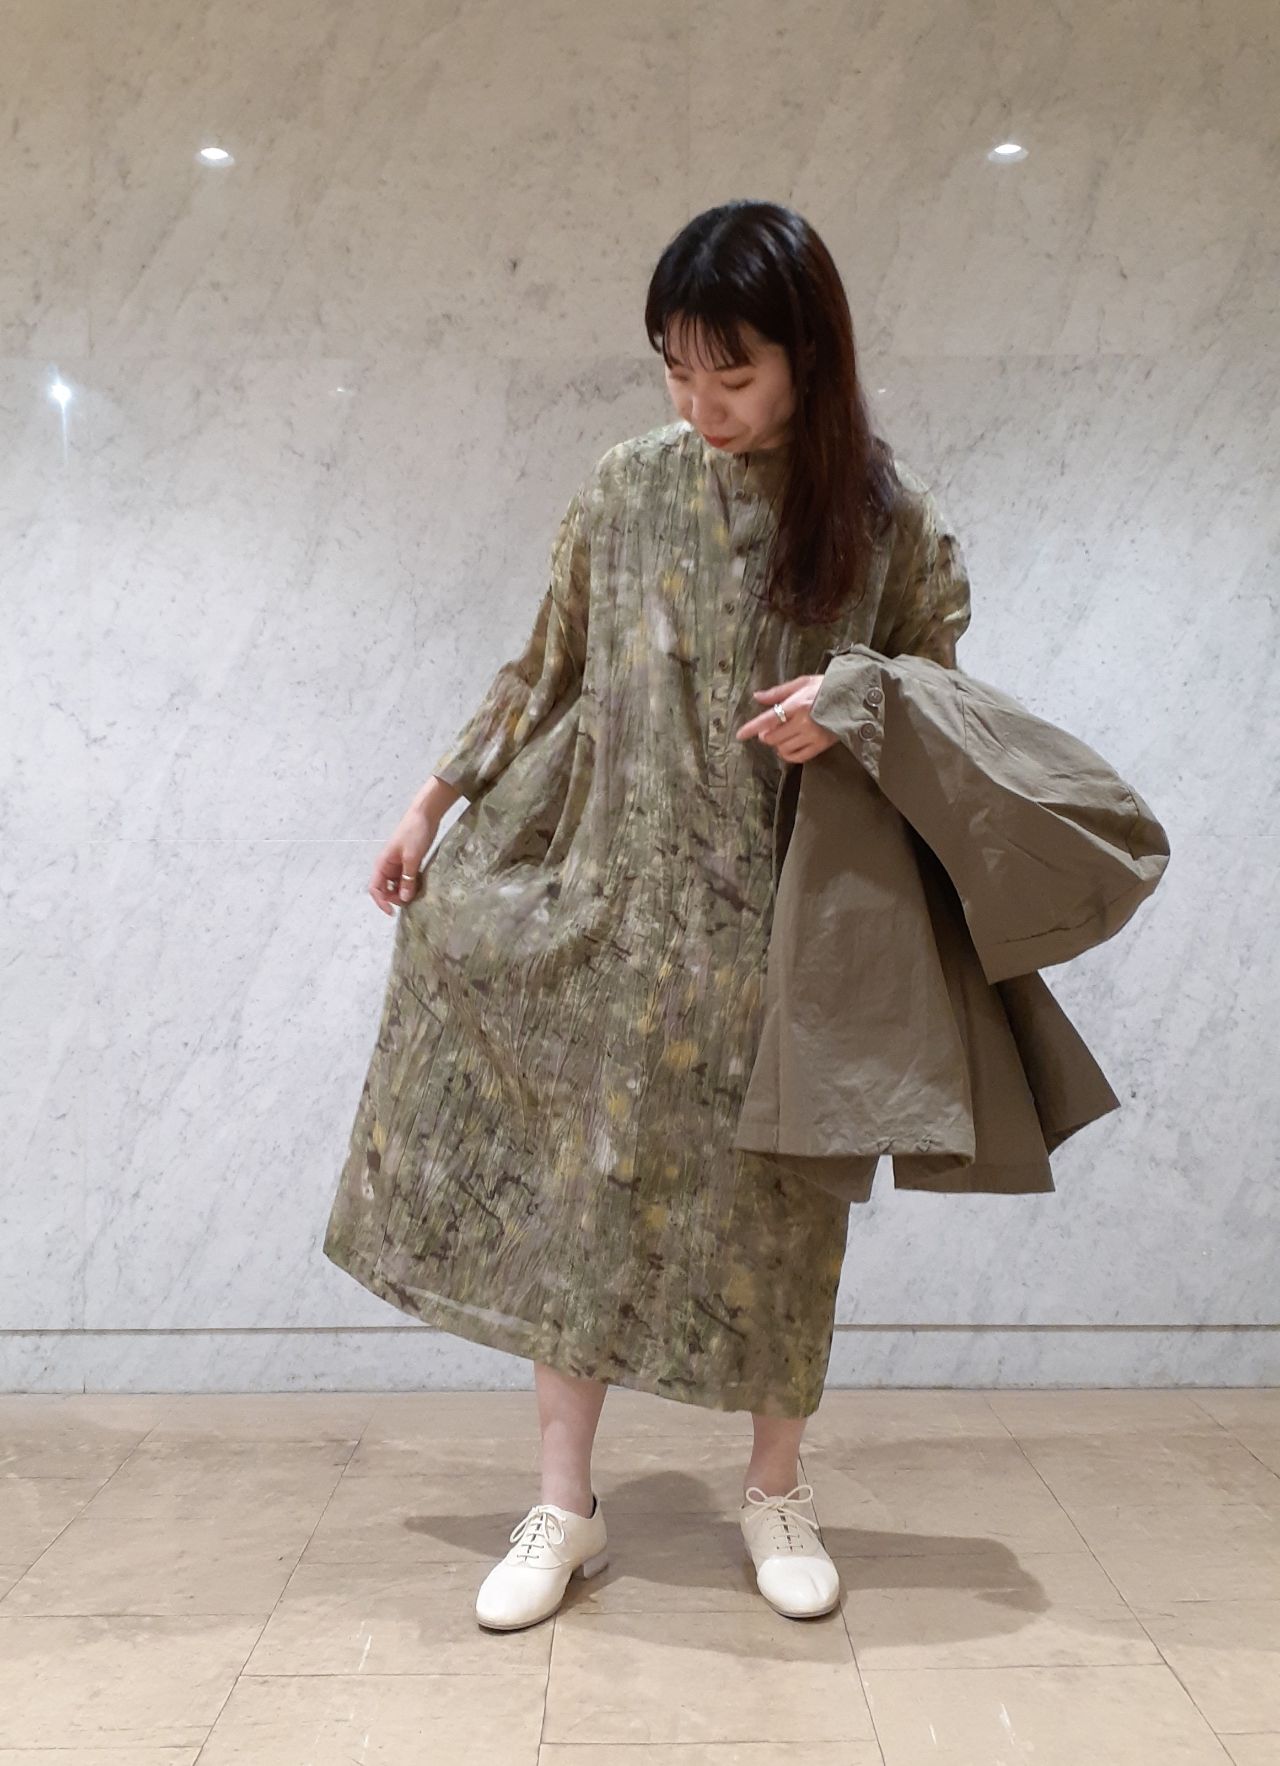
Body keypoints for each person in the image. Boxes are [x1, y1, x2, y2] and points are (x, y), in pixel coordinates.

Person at [321, 200, 973, 1629]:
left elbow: (944, 690)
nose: (699, 404)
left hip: (797, 936)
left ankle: (775, 1488)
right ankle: (566, 1503)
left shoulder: (884, 518)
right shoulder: (625, 489)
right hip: (624, 924)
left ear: (808, 358)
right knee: (585, 1212)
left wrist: (854, 700)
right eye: (677, 370)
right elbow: (545, 666)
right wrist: (430, 805)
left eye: (731, 374)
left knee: (790, 1220)